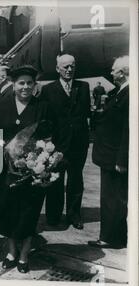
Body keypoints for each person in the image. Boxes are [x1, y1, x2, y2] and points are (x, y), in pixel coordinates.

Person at [0, 65, 48, 273]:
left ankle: (24, 254)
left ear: (34, 85)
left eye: (29, 83)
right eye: (21, 83)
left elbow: (49, 136)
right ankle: (11, 251)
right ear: (13, 85)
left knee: (28, 212)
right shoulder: (1, 106)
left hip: (32, 172)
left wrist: (41, 161)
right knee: (8, 210)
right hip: (7, 171)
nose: (25, 87)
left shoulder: (42, 107)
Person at [41, 54, 91, 230]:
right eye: (65, 67)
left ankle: (73, 214)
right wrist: (48, 143)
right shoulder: (48, 90)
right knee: (55, 179)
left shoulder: (83, 87)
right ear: (57, 69)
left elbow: (86, 114)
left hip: (78, 143)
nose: (69, 70)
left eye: (72, 66)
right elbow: (45, 119)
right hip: (57, 144)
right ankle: (53, 215)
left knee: (76, 180)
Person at [89, 56, 129, 249]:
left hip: (115, 157)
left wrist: (122, 160)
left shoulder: (129, 93)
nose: (111, 73)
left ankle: (111, 238)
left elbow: (127, 130)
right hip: (109, 155)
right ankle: (114, 236)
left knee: (113, 199)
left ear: (123, 72)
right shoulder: (119, 91)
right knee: (111, 198)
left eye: (114, 70)